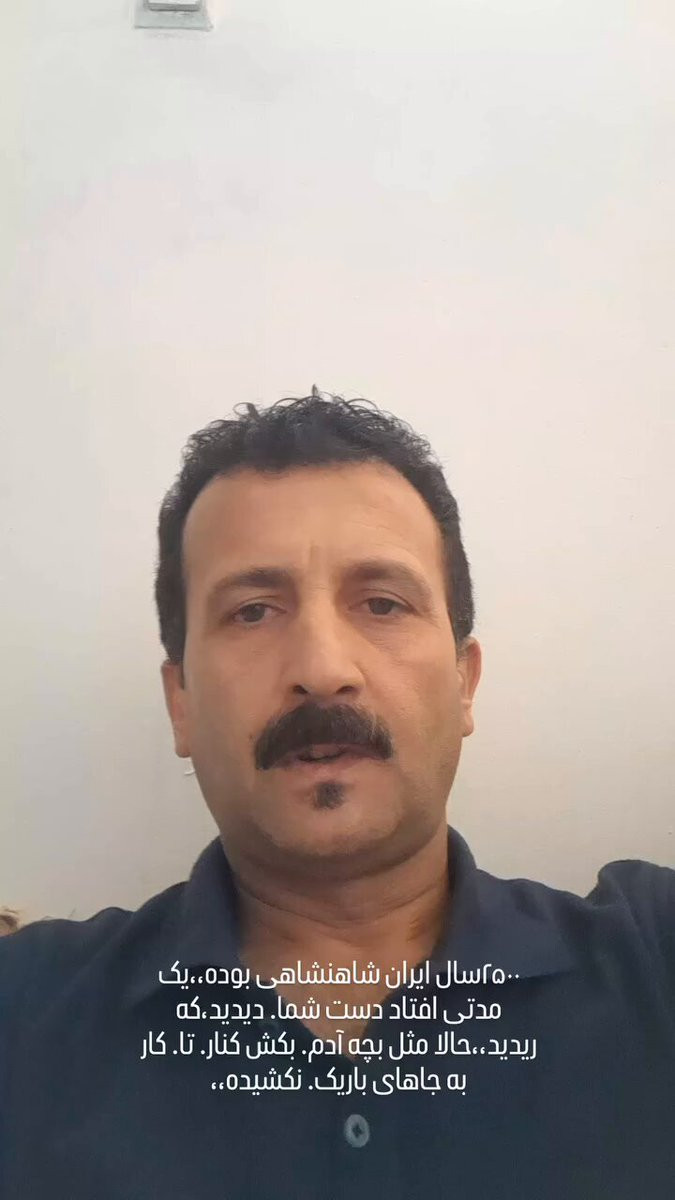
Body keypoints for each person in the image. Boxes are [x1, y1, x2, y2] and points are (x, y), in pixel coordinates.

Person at [1, 389, 673, 1199]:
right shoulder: (25, 1007)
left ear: (464, 684)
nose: (321, 668)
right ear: (181, 704)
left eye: (382, 603)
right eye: (252, 612)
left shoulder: (650, 955)